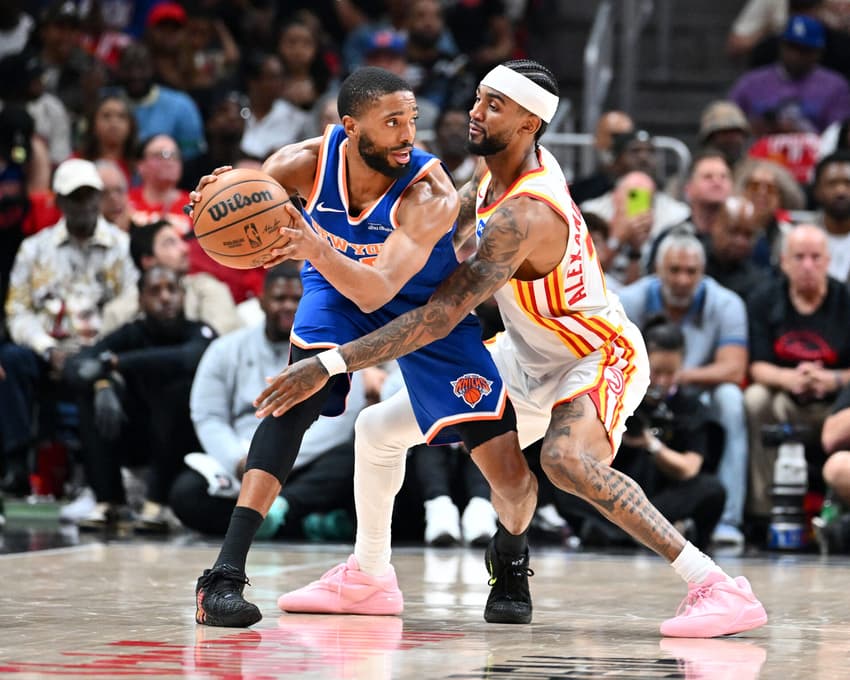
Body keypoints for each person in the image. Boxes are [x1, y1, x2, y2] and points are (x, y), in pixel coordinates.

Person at [261, 59, 767, 638]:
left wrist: (332, 361)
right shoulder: (490, 175)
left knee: (564, 461)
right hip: (529, 354)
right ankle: (370, 576)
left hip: (595, 355)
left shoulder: (524, 212)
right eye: (478, 98)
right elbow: (413, 255)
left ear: (531, 124)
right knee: (377, 430)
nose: (474, 112)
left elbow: (442, 314)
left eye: (494, 106)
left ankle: (716, 586)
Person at [190, 66, 528, 629]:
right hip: (335, 290)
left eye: (412, 120)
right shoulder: (297, 165)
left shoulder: (430, 192)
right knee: (290, 401)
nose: (407, 134)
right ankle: (224, 576)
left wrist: (313, 247)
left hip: (425, 309)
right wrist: (214, 200)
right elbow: (246, 206)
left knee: (508, 472)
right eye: (392, 121)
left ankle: (511, 556)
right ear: (350, 127)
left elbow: (379, 289)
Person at [169, 262, 368, 540]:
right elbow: (208, 416)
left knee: (356, 455)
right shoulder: (225, 349)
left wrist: (281, 458)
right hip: (242, 465)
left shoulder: (334, 351)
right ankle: (304, 526)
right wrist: (241, 461)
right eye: (279, 299)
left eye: (296, 299)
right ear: (261, 302)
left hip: (306, 465)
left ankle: (280, 510)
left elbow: (343, 418)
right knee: (186, 494)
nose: (288, 306)